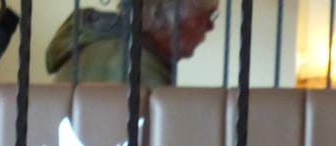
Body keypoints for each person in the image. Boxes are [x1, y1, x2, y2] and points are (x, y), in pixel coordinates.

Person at [44, 0, 219, 88]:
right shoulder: (138, 67)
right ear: (172, 18)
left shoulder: (95, 45)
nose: (211, 27)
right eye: (207, 16)